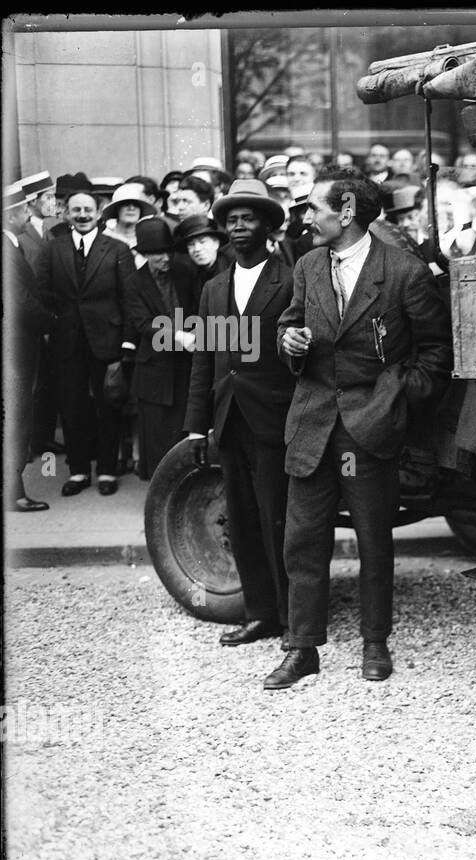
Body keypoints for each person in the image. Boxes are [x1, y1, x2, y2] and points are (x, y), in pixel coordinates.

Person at [268, 170, 453, 690]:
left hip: (369, 430)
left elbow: (437, 355)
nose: (305, 217)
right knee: (302, 541)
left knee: (374, 540)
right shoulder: (306, 265)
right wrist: (291, 342)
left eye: (313, 208)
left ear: (346, 211)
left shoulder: (404, 272)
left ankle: (376, 643)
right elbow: (288, 323)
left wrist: (392, 397)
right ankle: (302, 648)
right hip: (311, 425)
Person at [184, 179, 298, 648]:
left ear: (268, 226)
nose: (238, 227)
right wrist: (196, 426)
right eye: (231, 220)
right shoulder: (214, 288)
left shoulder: (290, 279)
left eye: (248, 218)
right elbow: (204, 360)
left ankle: (295, 620)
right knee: (243, 520)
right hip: (229, 420)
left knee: (279, 519)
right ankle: (261, 614)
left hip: (274, 420)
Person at [35, 185, 135, 496]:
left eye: (88, 209)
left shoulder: (116, 250)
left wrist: (127, 344)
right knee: (72, 406)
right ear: (65, 213)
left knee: (108, 405)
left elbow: (130, 300)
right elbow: (42, 295)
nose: (82, 215)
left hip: (107, 340)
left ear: (99, 212)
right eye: (76, 210)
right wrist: (52, 329)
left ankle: (106, 470)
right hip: (66, 343)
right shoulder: (53, 250)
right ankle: (78, 471)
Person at [123, 218, 195, 479]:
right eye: (156, 254)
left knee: (183, 431)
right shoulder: (133, 283)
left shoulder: (185, 270)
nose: (165, 258)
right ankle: (159, 496)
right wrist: (180, 337)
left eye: (168, 251)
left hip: (185, 366)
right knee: (156, 434)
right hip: (154, 368)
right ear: (144, 255)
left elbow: (198, 307)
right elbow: (143, 324)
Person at [3, 183, 54, 511]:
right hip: (16, 349)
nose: (28, 212)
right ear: (12, 215)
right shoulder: (6, 248)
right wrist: (52, 321)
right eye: (24, 208)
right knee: (17, 416)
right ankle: (15, 492)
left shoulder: (11, 244)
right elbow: (19, 300)